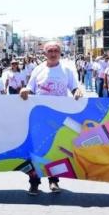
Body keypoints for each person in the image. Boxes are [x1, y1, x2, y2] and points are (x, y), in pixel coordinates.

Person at [20, 42, 83, 195]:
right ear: (45, 53)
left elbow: (74, 87)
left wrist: (77, 92)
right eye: (50, 51)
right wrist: (25, 90)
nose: (53, 53)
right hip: (39, 117)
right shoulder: (38, 70)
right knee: (36, 151)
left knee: (54, 150)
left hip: (58, 117)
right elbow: (30, 87)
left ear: (60, 53)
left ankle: (53, 181)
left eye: (56, 50)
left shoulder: (66, 70)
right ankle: (34, 183)